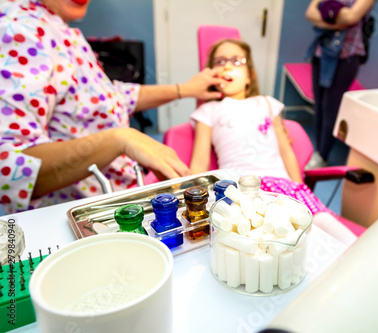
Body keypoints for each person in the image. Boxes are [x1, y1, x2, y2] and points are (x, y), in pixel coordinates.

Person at [0, 0, 225, 214]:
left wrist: (185, 89)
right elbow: (9, 168)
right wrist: (121, 139)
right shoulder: (20, 31)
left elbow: (109, 97)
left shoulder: (58, 27)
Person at [189, 39, 357, 245]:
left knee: (335, 234)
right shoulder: (208, 111)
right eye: (220, 62)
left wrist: (299, 186)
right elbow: (199, 163)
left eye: (236, 61)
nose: (227, 66)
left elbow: (286, 151)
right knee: (266, 243)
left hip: (285, 186)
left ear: (249, 76)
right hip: (241, 191)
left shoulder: (267, 103)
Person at [305, 0, 376, 169]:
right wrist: (338, 19)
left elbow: (352, 17)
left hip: (347, 56)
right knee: (319, 104)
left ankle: (322, 156)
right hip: (322, 52)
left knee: (331, 107)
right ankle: (318, 151)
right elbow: (310, 13)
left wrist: (325, 11)